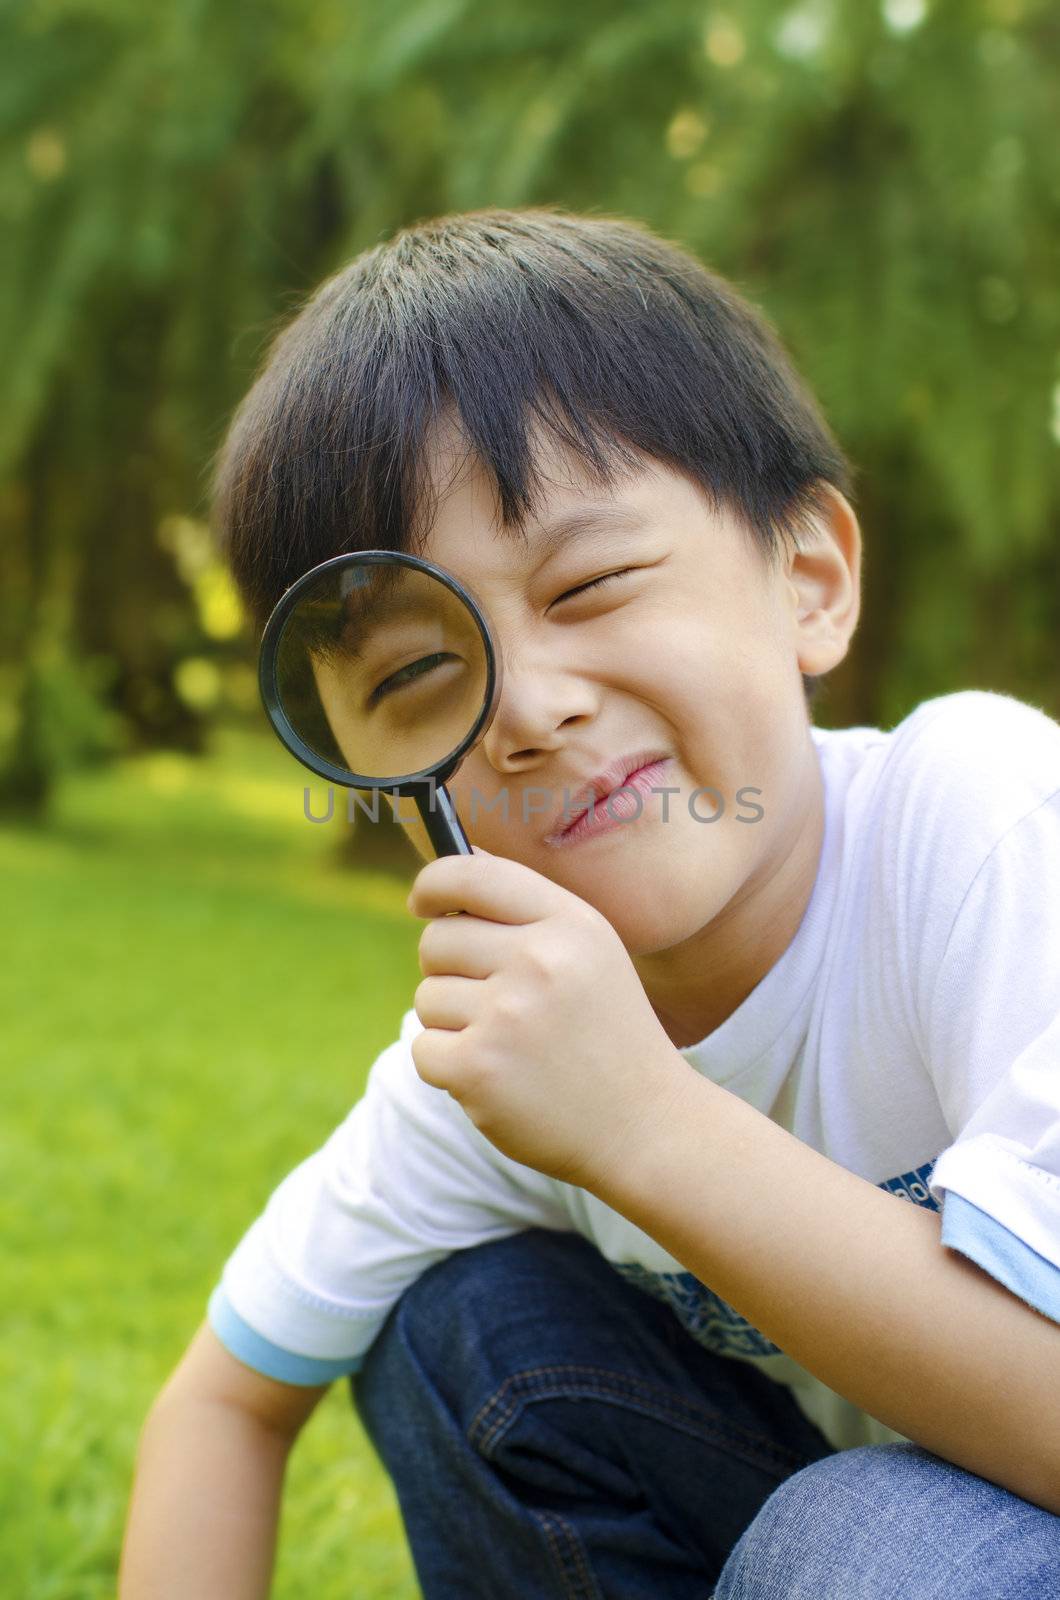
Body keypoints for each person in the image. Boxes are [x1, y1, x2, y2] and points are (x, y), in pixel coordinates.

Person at [118, 209, 1060, 1598]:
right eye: (412, 679)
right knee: (463, 1329)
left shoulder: (983, 828)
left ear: (809, 581)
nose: (529, 710)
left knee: (872, 1546)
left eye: (595, 582)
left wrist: (640, 1121)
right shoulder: (501, 1052)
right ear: (371, 777)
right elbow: (224, 1401)